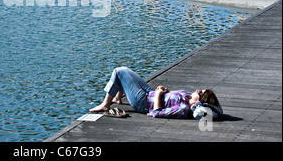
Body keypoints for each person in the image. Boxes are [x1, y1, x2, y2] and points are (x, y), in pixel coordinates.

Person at [90, 67, 223, 119]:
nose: (197, 90)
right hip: (150, 93)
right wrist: (164, 91)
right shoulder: (187, 97)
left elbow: (156, 113)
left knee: (119, 71)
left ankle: (105, 105)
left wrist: (159, 94)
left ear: (199, 100)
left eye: (199, 92)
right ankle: (117, 98)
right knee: (125, 72)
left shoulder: (183, 108)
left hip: (143, 102)